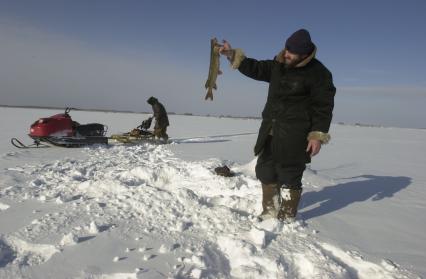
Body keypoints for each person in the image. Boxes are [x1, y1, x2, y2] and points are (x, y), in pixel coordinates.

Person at [219, 29, 336, 221]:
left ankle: (287, 216)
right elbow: (255, 68)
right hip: (270, 131)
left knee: (289, 173)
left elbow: (324, 106)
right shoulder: (278, 65)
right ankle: (270, 210)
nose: (286, 53)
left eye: (292, 52)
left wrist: (317, 135)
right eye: (286, 48)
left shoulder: (319, 73)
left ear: (305, 55)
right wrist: (232, 54)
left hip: (296, 134)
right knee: (265, 170)